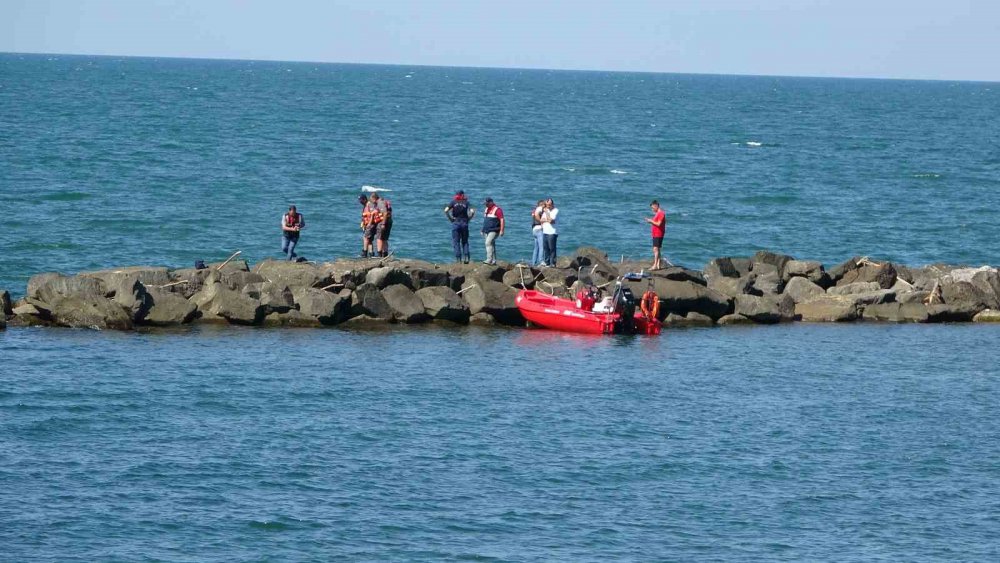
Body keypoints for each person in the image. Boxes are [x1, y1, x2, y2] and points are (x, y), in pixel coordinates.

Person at [444, 190, 475, 263]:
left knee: (456, 241)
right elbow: (472, 211)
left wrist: (450, 218)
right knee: (465, 241)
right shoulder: (466, 202)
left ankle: (458, 259)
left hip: (456, 222)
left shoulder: (453, 202)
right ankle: (467, 258)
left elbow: (446, 210)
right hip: (464, 223)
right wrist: (469, 218)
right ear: (462, 195)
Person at [644, 199, 667, 269]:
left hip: (658, 233)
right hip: (656, 233)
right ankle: (658, 265)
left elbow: (659, 224)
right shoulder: (658, 213)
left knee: (655, 249)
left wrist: (650, 221)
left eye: (652, 208)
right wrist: (650, 221)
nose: (652, 209)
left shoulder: (661, 213)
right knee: (658, 249)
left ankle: (655, 265)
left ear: (656, 206)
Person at [481, 197, 505, 265]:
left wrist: (502, 230)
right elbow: (485, 220)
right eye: (485, 204)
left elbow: (502, 220)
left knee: (488, 243)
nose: (486, 205)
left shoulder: (497, 210)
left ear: (491, 202)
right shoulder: (486, 209)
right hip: (486, 230)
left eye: (487, 203)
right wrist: (482, 229)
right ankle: (494, 260)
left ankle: (489, 259)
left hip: (494, 230)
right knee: (491, 244)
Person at [540, 198, 559, 266]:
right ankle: (547, 262)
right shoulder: (546, 211)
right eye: (547, 205)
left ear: (552, 204)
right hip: (545, 232)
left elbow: (551, 221)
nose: (548, 206)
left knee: (552, 248)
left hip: (552, 232)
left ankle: (553, 263)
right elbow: (541, 220)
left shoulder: (556, 211)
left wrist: (547, 213)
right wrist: (547, 219)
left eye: (549, 205)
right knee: (546, 248)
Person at [531, 199, 545, 266]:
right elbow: (537, 216)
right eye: (544, 205)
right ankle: (541, 261)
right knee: (541, 246)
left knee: (536, 247)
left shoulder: (534, 210)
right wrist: (542, 222)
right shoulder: (539, 209)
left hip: (534, 230)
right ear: (541, 205)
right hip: (539, 229)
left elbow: (534, 215)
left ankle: (533, 262)